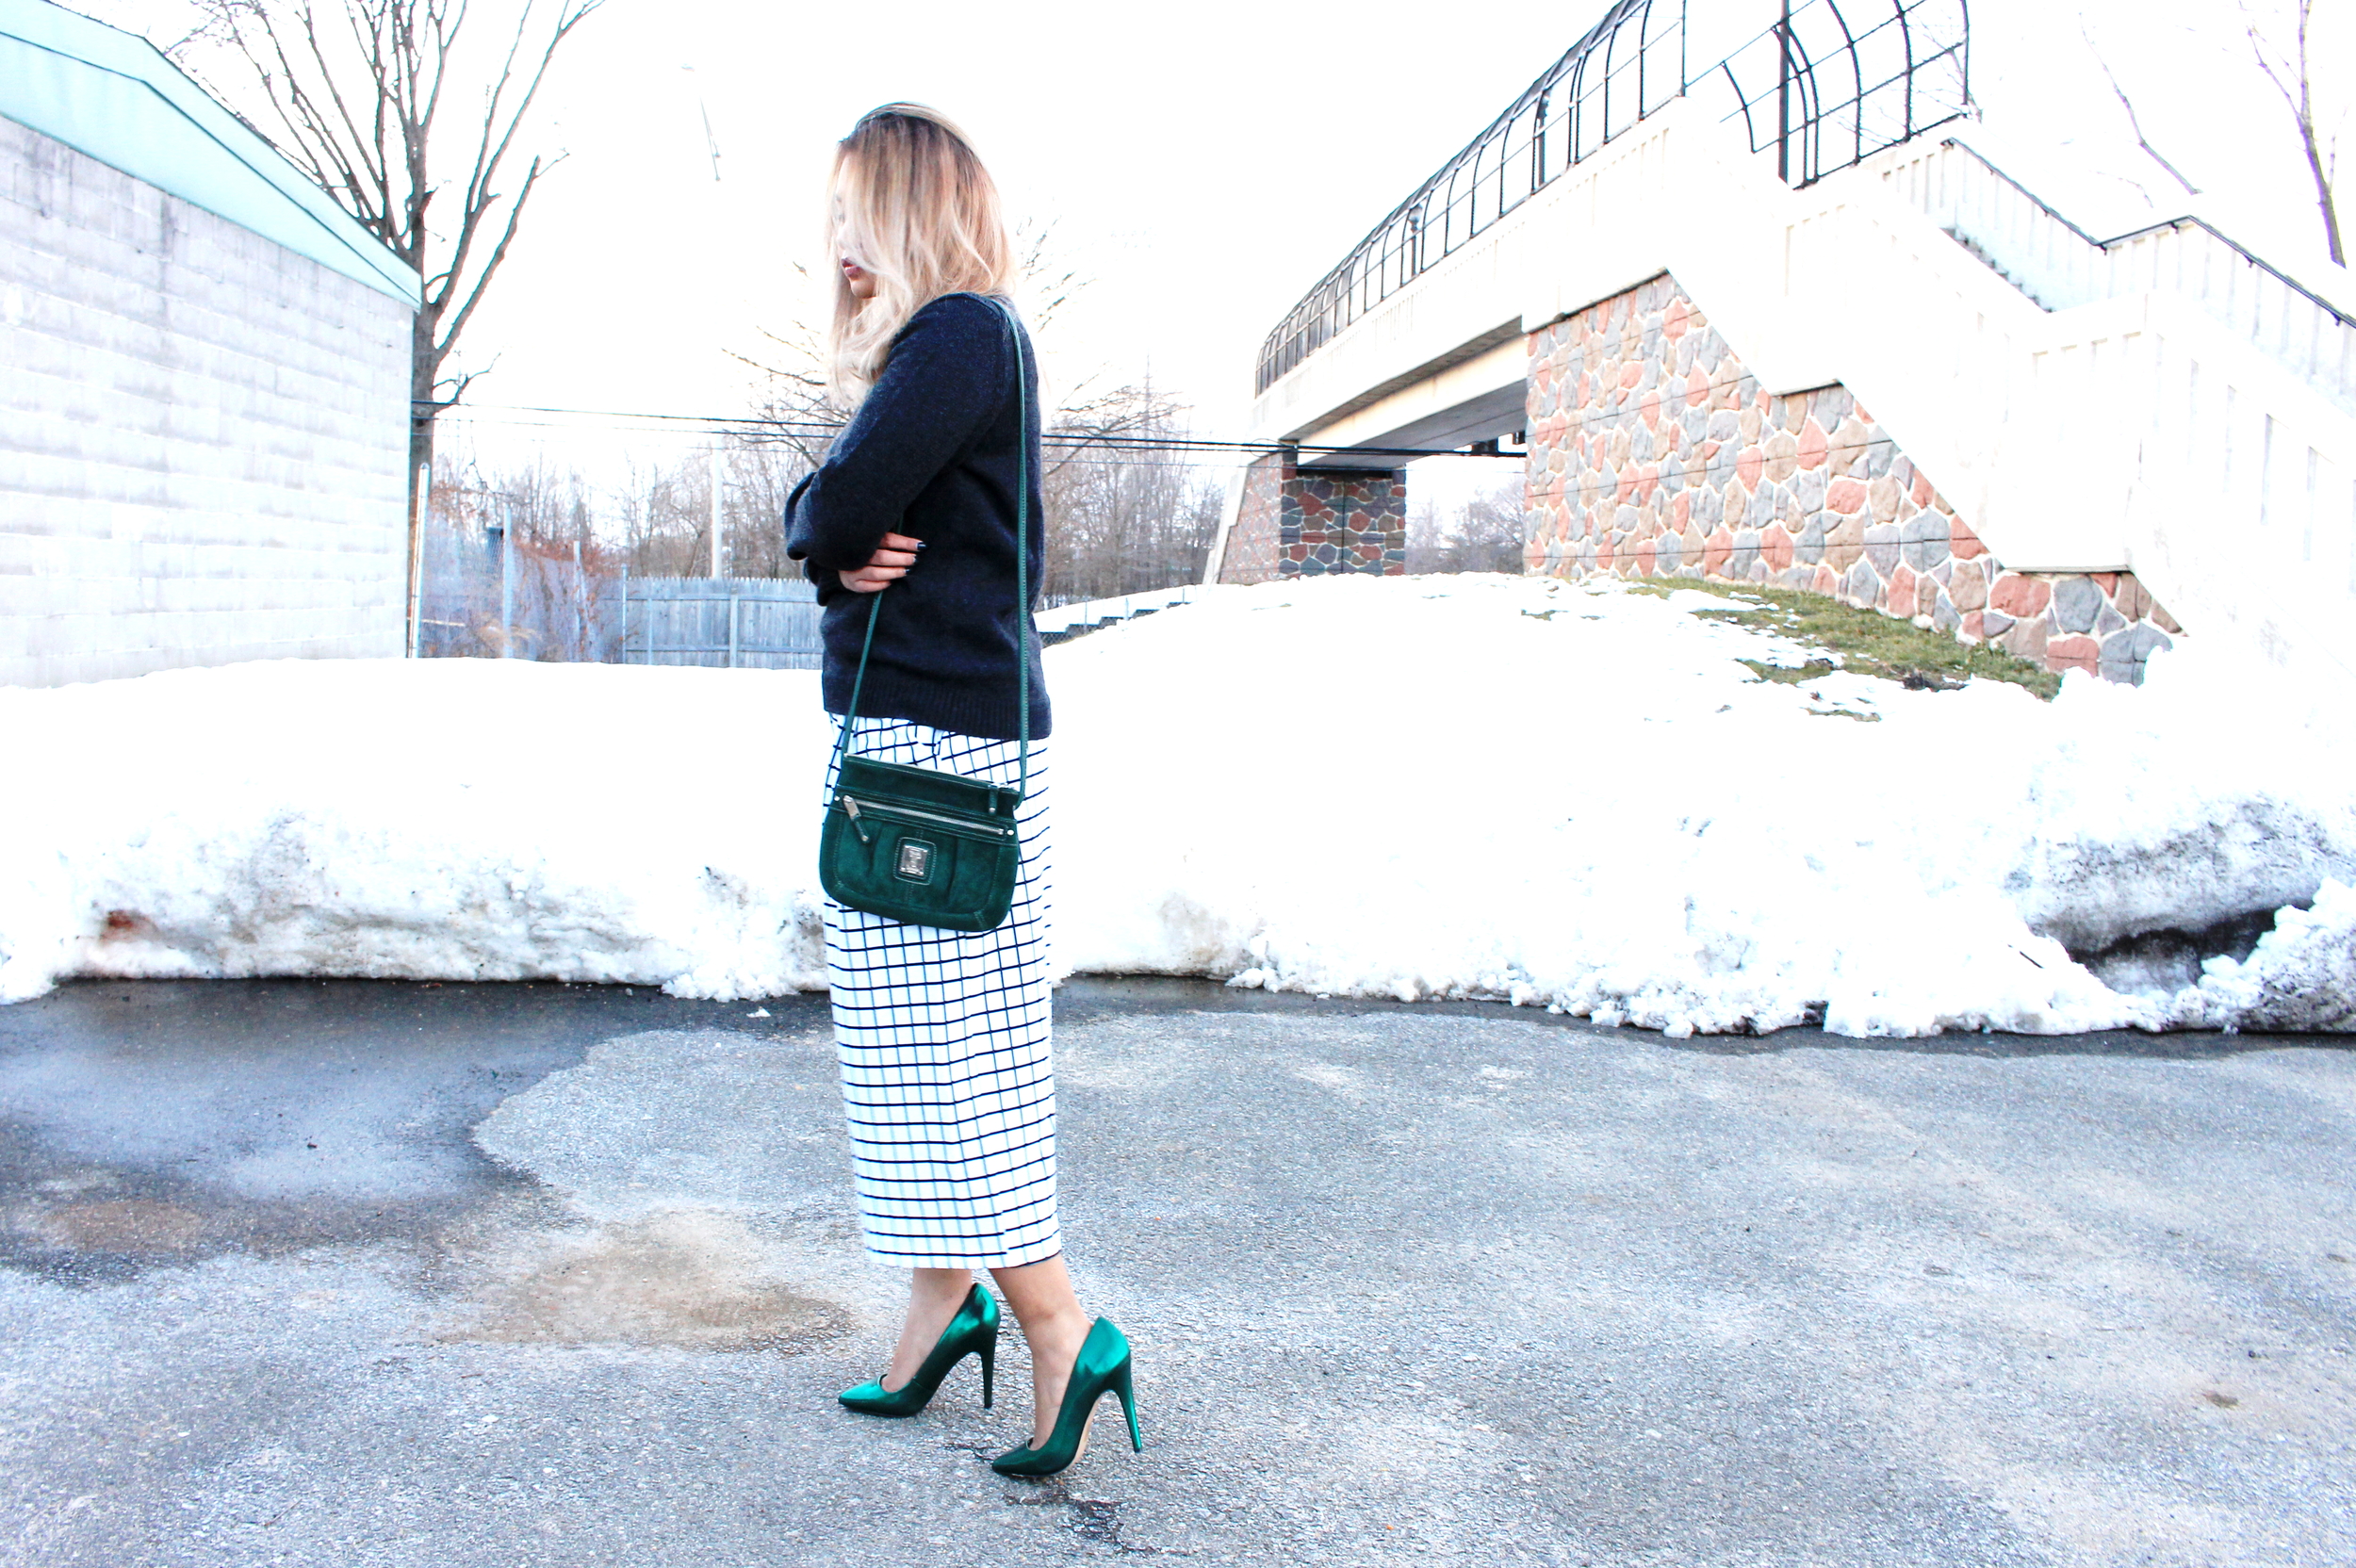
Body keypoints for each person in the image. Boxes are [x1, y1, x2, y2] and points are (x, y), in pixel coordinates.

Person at [782, 104, 1140, 1479]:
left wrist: (824, 532)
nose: (839, 245)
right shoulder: (967, 342)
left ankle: (1060, 1325)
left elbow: (843, 503)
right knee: (921, 1050)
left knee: (947, 1061)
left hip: (936, 746)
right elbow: (837, 511)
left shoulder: (957, 337)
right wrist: (827, 530)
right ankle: (945, 1306)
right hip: (940, 736)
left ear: (910, 212)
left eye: (856, 215)